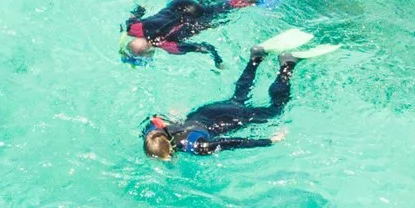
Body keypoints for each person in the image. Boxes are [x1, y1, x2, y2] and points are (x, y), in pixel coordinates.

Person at [141, 31, 337, 158]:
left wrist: (268, 141)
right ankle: (255, 58)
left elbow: (233, 143)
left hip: (228, 119)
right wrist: (173, 115)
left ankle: (287, 65)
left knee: (275, 110)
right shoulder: (151, 131)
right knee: (238, 97)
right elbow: (153, 118)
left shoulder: (198, 146)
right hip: (208, 112)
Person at [122, 0, 313, 66]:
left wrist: (218, 62)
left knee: (240, 4)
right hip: (181, 3)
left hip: (198, 17)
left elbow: (204, 46)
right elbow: (135, 13)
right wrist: (141, 7)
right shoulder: (133, 28)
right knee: (215, 0)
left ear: (149, 52)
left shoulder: (169, 47)